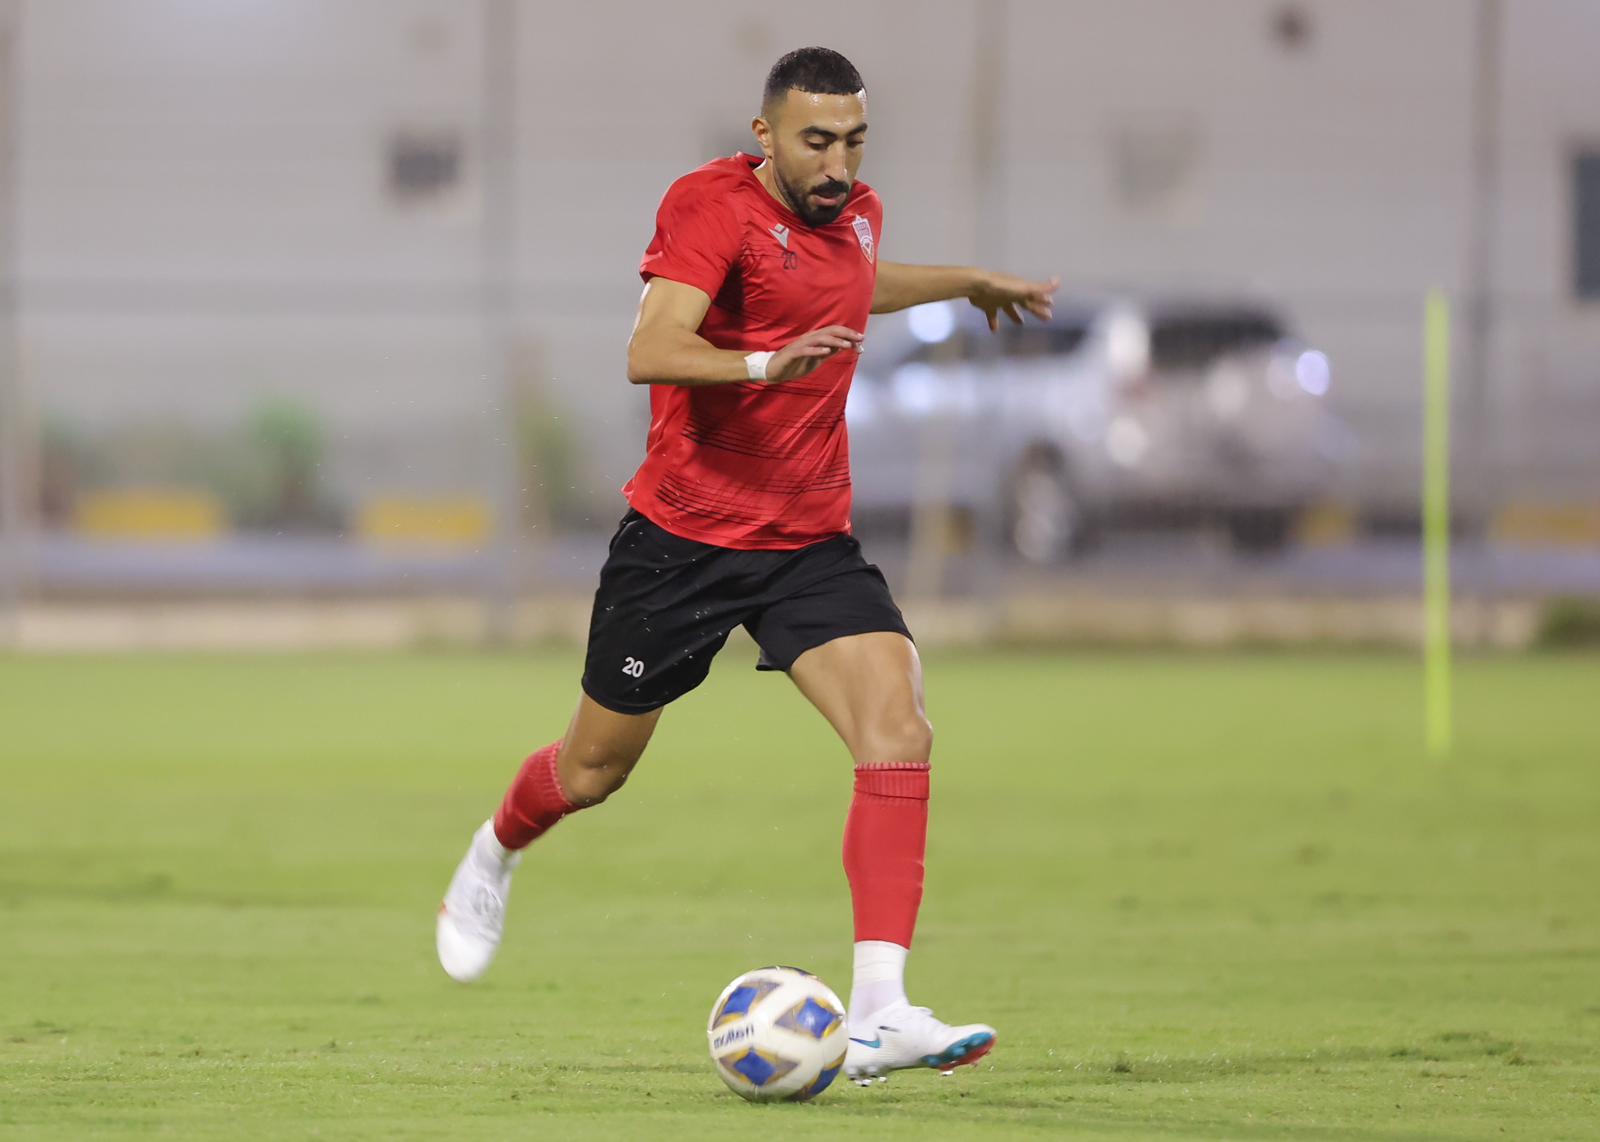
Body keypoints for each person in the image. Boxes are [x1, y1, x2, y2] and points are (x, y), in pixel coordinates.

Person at [437, 46, 1057, 1085]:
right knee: (592, 772)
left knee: (899, 725)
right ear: (765, 134)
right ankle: (493, 851)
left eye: (855, 141)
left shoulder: (858, 215)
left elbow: (854, 282)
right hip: (681, 542)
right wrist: (766, 361)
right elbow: (651, 346)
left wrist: (965, 282)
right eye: (817, 141)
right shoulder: (710, 207)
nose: (839, 164)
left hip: (806, 543)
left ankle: (881, 1010)